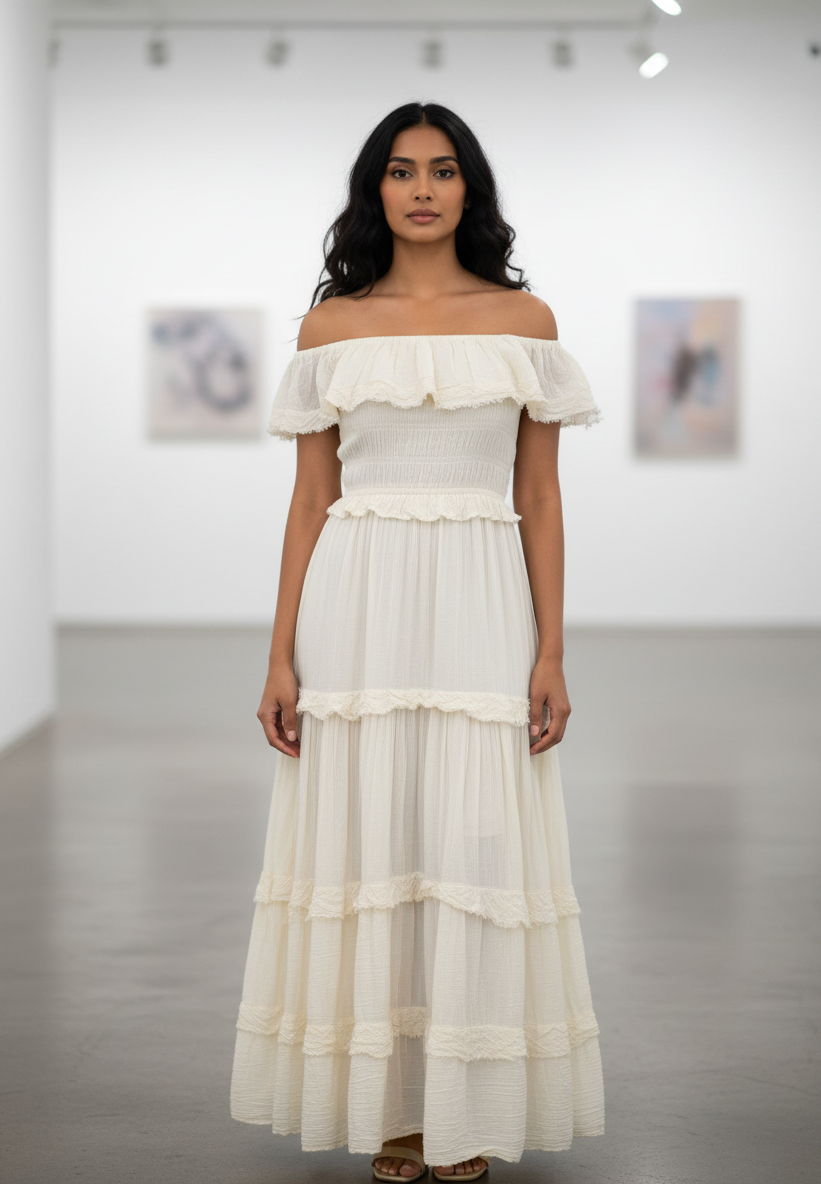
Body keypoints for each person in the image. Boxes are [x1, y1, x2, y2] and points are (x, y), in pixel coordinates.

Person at [230, 101, 604, 1181]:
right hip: (356, 601)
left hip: (482, 598)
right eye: (401, 171)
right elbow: (310, 502)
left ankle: (466, 1106)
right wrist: (279, 654)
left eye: (444, 170)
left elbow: (539, 493)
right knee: (373, 841)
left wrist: (550, 651)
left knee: (473, 845)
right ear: (376, 191)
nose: (424, 188)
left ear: (470, 189)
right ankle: (398, 1110)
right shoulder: (331, 329)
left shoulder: (526, 322)